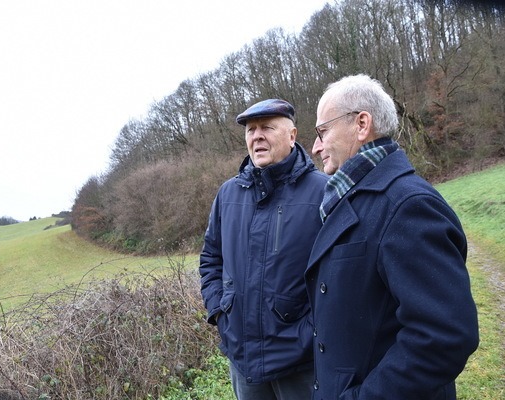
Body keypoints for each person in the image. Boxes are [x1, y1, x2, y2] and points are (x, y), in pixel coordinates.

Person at [306, 74, 479, 399]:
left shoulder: (408, 206)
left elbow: (445, 335)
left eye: (322, 131)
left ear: (361, 124)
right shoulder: (352, 200)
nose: (315, 147)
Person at [200, 99, 329, 400]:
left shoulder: (322, 191)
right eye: (251, 130)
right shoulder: (228, 194)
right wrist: (220, 311)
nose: (256, 136)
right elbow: (211, 258)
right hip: (242, 356)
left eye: (267, 128)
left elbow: (338, 274)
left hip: (300, 360)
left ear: (292, 135)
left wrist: (311, 331)